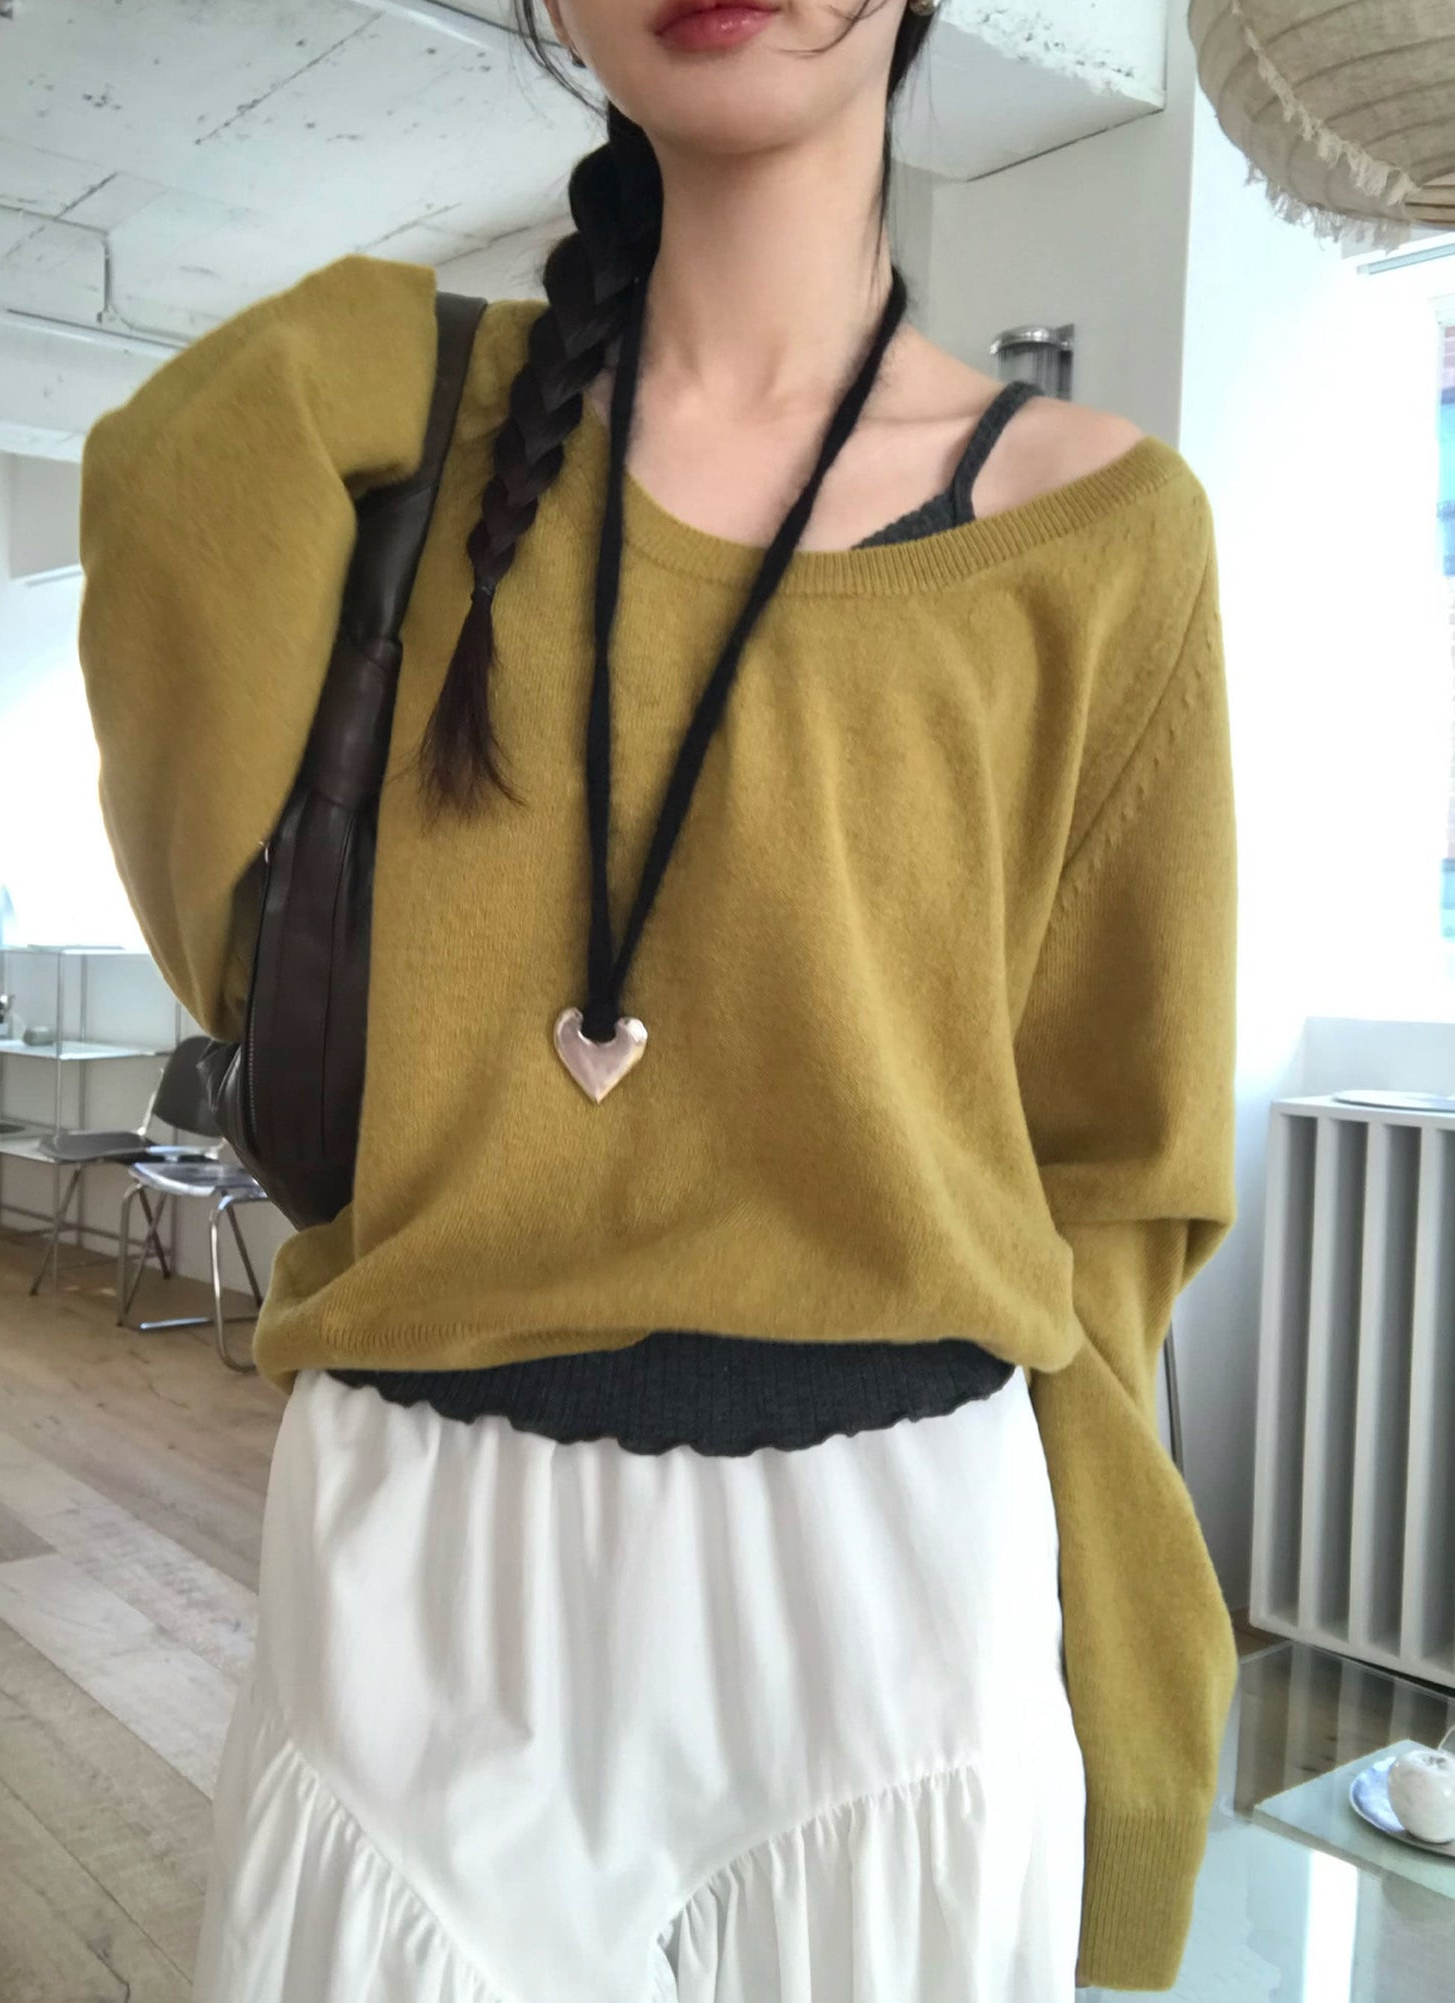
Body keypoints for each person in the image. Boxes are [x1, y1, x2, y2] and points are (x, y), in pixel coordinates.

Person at [75, 0, 1241, 1995]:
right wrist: (376, 344)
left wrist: (1132, 1710)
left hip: (895, 1591)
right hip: (418, 1566)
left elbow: (1120, 1191)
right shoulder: (403, 447)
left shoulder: (1103, 533)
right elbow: (227, 834)